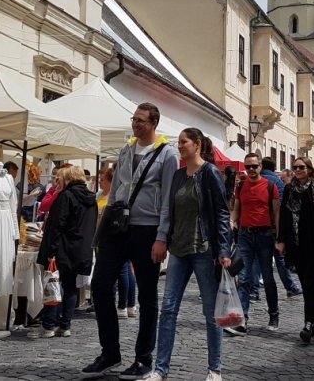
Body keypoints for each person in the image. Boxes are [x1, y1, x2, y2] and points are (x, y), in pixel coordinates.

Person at [83, 103, 180, 380]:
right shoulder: (126, 149)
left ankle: (143, 358)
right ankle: (110, 353)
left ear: (154, 123)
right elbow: (115, 189)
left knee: (147, 295)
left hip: (148, 229)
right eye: (134, 119)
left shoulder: (168, 154)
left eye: (141, 120)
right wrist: (105, 226)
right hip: (118, 227)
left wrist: (162, 237)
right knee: (100, 285)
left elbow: (169, 200)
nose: (135, 124)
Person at [143, 128, 232, 381]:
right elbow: (168, 209)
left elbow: (222, 212)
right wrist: (163, 238)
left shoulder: (210, 172)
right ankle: (160, 370)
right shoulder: (178, 175)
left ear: (197, 144)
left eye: (184, 142)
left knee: (210, 312)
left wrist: (223, 249)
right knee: (168, 309)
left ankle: (215, 369)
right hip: (179, 250)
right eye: (179, 143)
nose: (180, 146)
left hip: (203, 249)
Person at [275, 157, 314, 344]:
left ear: (309, 169)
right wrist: (281, 240)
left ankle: (308, 324)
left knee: (308, 284)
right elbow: (284, 216)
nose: (298, 170)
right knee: (306, 283)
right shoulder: (289, 189)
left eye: (301, 167)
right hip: (296, 244)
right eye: (295, 167)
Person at [37, 165, 98, 338]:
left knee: (53, 284)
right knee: (71, 287)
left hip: (62, 248)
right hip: (80, 249)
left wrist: (51, 250)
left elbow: (57, 225)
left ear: (69, 178)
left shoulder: (66, 196)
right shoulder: (91, 199)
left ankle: (49, 325)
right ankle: (65, 325)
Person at [229, 152, 280, 335]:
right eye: (248, 166)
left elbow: (276, 213)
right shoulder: (241, 186)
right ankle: (242, 320)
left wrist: (279, 237)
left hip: (265, 235)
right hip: (245, 235)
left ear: (260, 167)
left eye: (254, 166)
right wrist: (232, 220)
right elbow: (236, 208)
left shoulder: (270, 186)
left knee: (267, 278)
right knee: (243, 278)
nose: (251, 169)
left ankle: (274, 314)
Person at [97, 165, 137, 319]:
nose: (100, 182)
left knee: (124, 270)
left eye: (102, 180)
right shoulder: (102, 194)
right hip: (111, 231)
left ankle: (124, 305)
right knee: (126, 270)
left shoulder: (119, 192)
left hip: (118, 230)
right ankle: (129, 305)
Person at [261, 158, 302, 298]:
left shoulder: (256, 179)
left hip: (258, 225)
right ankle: (290, 287)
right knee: (279, 258)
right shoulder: (277, 182)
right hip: (274, 226)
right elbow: (283, 205)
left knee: (258, 260)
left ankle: (253, 289)